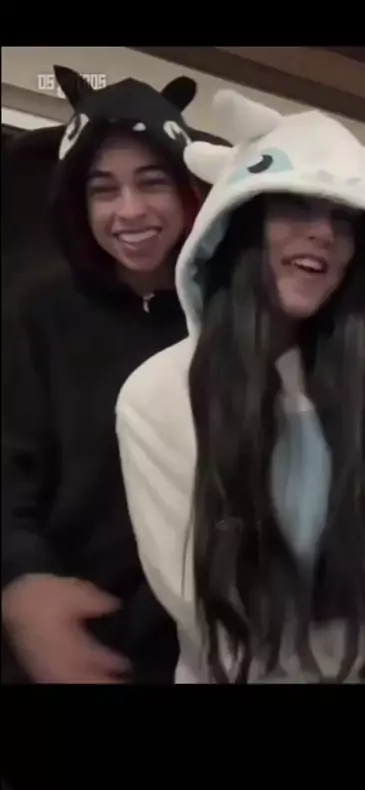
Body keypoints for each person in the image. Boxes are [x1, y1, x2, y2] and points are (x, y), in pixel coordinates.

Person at [115, 90, 365, 683]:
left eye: (345, 218)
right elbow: (208, 607)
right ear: (240, 224)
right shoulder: (156, 396)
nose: (323, 233)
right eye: (295, 207)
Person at [1, 65, 224, 684]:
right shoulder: (35, 315)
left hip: (209, 647)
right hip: (65, 646)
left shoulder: (234, 316)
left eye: (152, 183)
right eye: (103, 190)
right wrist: (21, 583)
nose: (129, 211)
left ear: (189, 191)